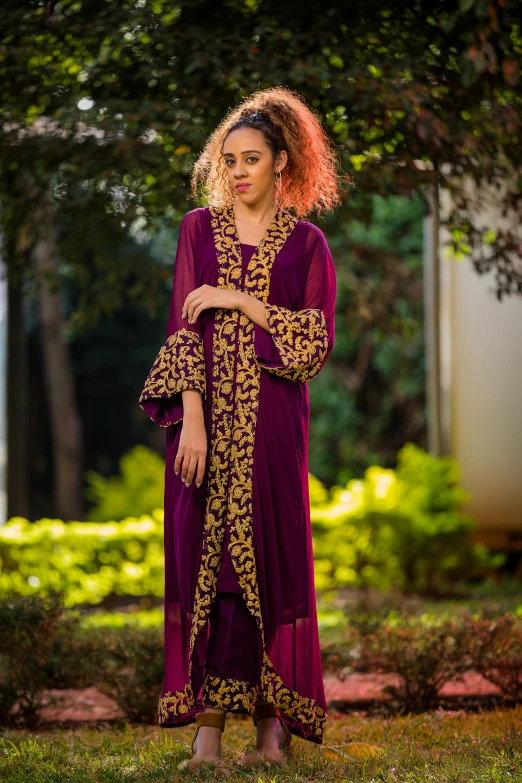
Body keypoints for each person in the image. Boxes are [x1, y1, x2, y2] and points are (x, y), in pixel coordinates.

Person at [139, 85, 346, 773]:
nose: (238, 172)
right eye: (228, 160)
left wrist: (239, 300)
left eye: (252, 159)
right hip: (206, 433)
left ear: (283, 162)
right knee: (210, 565)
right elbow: (181, 330)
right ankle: (207, 732)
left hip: (274, 432)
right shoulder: (199, 229)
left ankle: (272, 728)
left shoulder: (308, 245)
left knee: (273, 565)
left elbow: (313, 340)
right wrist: (191, 419)